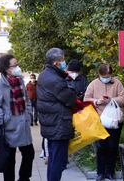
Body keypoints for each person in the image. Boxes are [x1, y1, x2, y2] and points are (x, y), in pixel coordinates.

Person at [0, 54, 34, 181]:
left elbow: (27, 100)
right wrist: (5, 119)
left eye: (17, 64)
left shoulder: (20, 80)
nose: (17, 67)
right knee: (10, 159)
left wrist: (28, 113)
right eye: (14, 65)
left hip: (24, 125)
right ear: (6, 68)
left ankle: (24, 178)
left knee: (29, 154)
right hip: (10, 128)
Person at [37, 48, 77, 181]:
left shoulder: (44, 74)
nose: (64, 63)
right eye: (62, 60)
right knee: (58, 162)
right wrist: (70, 82)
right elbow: (70, 99)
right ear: (56, 63)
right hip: (58, 124)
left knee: (53, 159)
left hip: (51, 123)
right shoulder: (55, 79)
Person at [84, 64, 124, 181]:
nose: (106, 78)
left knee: (113, 146)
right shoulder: (93, 84)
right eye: (104, 76)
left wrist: (112, 100)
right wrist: (97, 101)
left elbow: (123, 99)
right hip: (99, 120)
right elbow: (86, 99)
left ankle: (110, 172)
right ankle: (100, 172)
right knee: (101, 147)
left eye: (108, 76)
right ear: (99, 75)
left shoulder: (117, 83)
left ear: (111, 74)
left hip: (115, 120)